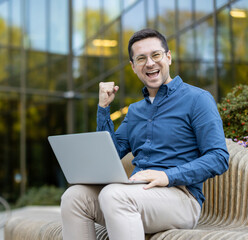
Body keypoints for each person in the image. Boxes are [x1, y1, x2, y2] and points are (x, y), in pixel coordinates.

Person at [60, 28, 229, 240]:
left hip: (181, 197)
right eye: (141, 58)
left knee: (114, 196)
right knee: (73, 197)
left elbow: (219, 157)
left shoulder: (198, 99)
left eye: (156, 55)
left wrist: (167, 176)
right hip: (135, 193)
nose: (149, 63)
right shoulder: (135, 111)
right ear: (133, 67)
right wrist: (103, 108)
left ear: (168, 57)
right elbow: (109, 155)